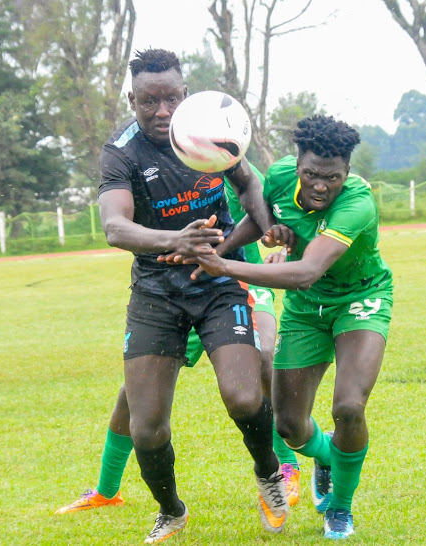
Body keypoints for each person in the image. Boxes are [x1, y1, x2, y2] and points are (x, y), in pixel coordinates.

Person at [93, 48, 288, 543]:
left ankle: (269, 475)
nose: (162, 112)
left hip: (216, 279)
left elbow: (247, 185)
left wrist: (266, 227)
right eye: (149, 101)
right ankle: (171, 510)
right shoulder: (122, 151)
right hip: (156, 291)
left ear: (184, 94)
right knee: (146, 428)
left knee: (244, 397)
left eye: (170, 99)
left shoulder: (207, 125)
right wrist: (173, 240)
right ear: (132, 98)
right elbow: (115, 227)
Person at [188, 115, 393, 539]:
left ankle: (340, 506)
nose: (321, 186)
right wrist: (233, 244)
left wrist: (222, 265)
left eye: (332, 177)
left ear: (347, 173)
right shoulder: (281, 175)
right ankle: (325, 455)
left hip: (360, 299)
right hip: (305, 311)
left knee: (349, 406)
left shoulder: (357, 203)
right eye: (312, 174)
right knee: (290, 427)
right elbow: (262, 218)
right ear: (296, 164)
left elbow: (307, 271)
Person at [54, 174, 302, 517]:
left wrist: (279, 241)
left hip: (238, 279)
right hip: (177, 293)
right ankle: (106, 490)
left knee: (262, 358)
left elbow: (271, 218)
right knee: (135, 394)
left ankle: (285, 468)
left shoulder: (235, 168)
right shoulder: (162, 169)